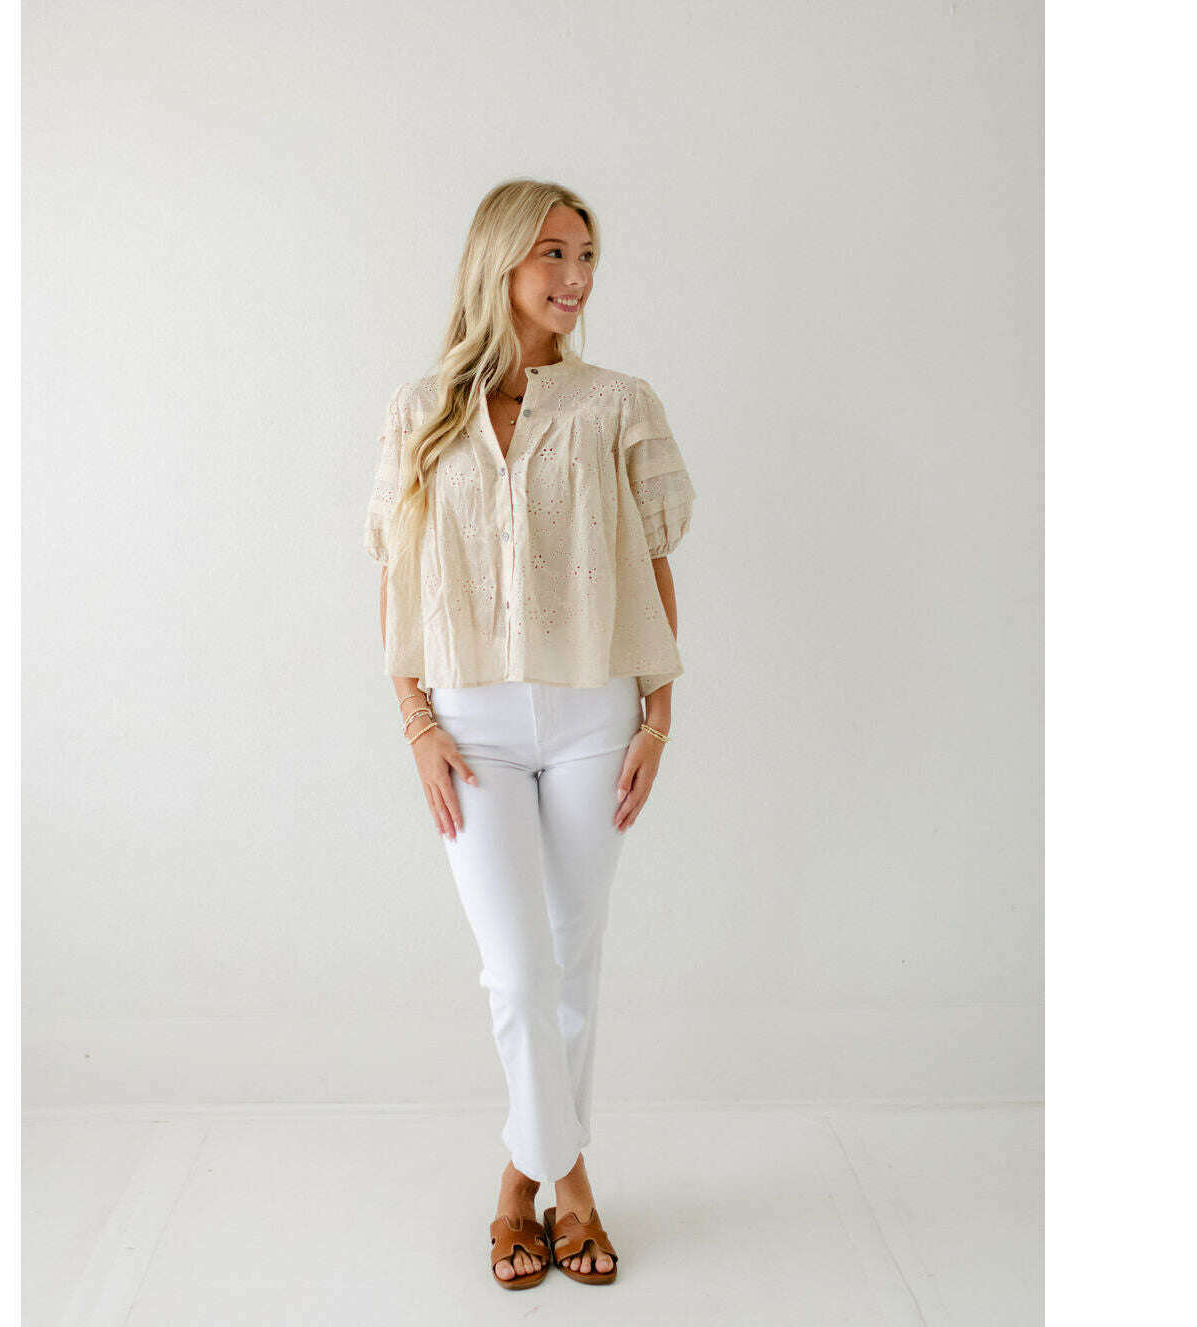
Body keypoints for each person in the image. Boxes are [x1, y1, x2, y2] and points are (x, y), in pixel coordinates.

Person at [363, 179, 696, 1290]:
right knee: (515, 971)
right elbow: (397, 573)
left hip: (597, 711)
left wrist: (659, 711)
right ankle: (570, 1181)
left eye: (586, 254)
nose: (575, 275)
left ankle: (522, 1186)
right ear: (499, 259)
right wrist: (415, 720)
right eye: (553, 252)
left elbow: (654, 559)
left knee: (571, 960)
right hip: (472, 725)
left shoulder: (617, 403)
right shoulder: (422, 410)